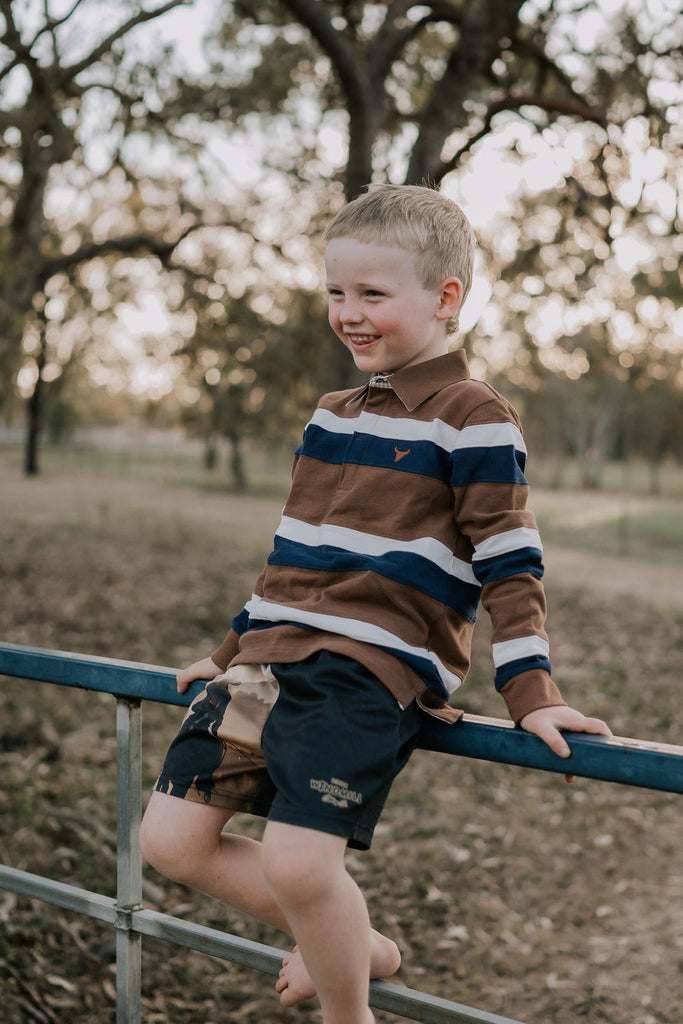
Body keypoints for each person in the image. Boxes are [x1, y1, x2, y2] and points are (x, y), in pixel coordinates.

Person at [140, 183, 611, 1024]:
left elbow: (510, 561)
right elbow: (294, 549)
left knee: (297, 864)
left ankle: (346, 1010)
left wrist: (532, 692)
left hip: (365, 671)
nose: (348, 314)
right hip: (267, 658)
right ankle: (358, 942)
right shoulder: (330, 414)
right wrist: (224, 651)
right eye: (335, 293)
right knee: (169, 843)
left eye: (371, 294)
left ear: (445, 297)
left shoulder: (476, 417)